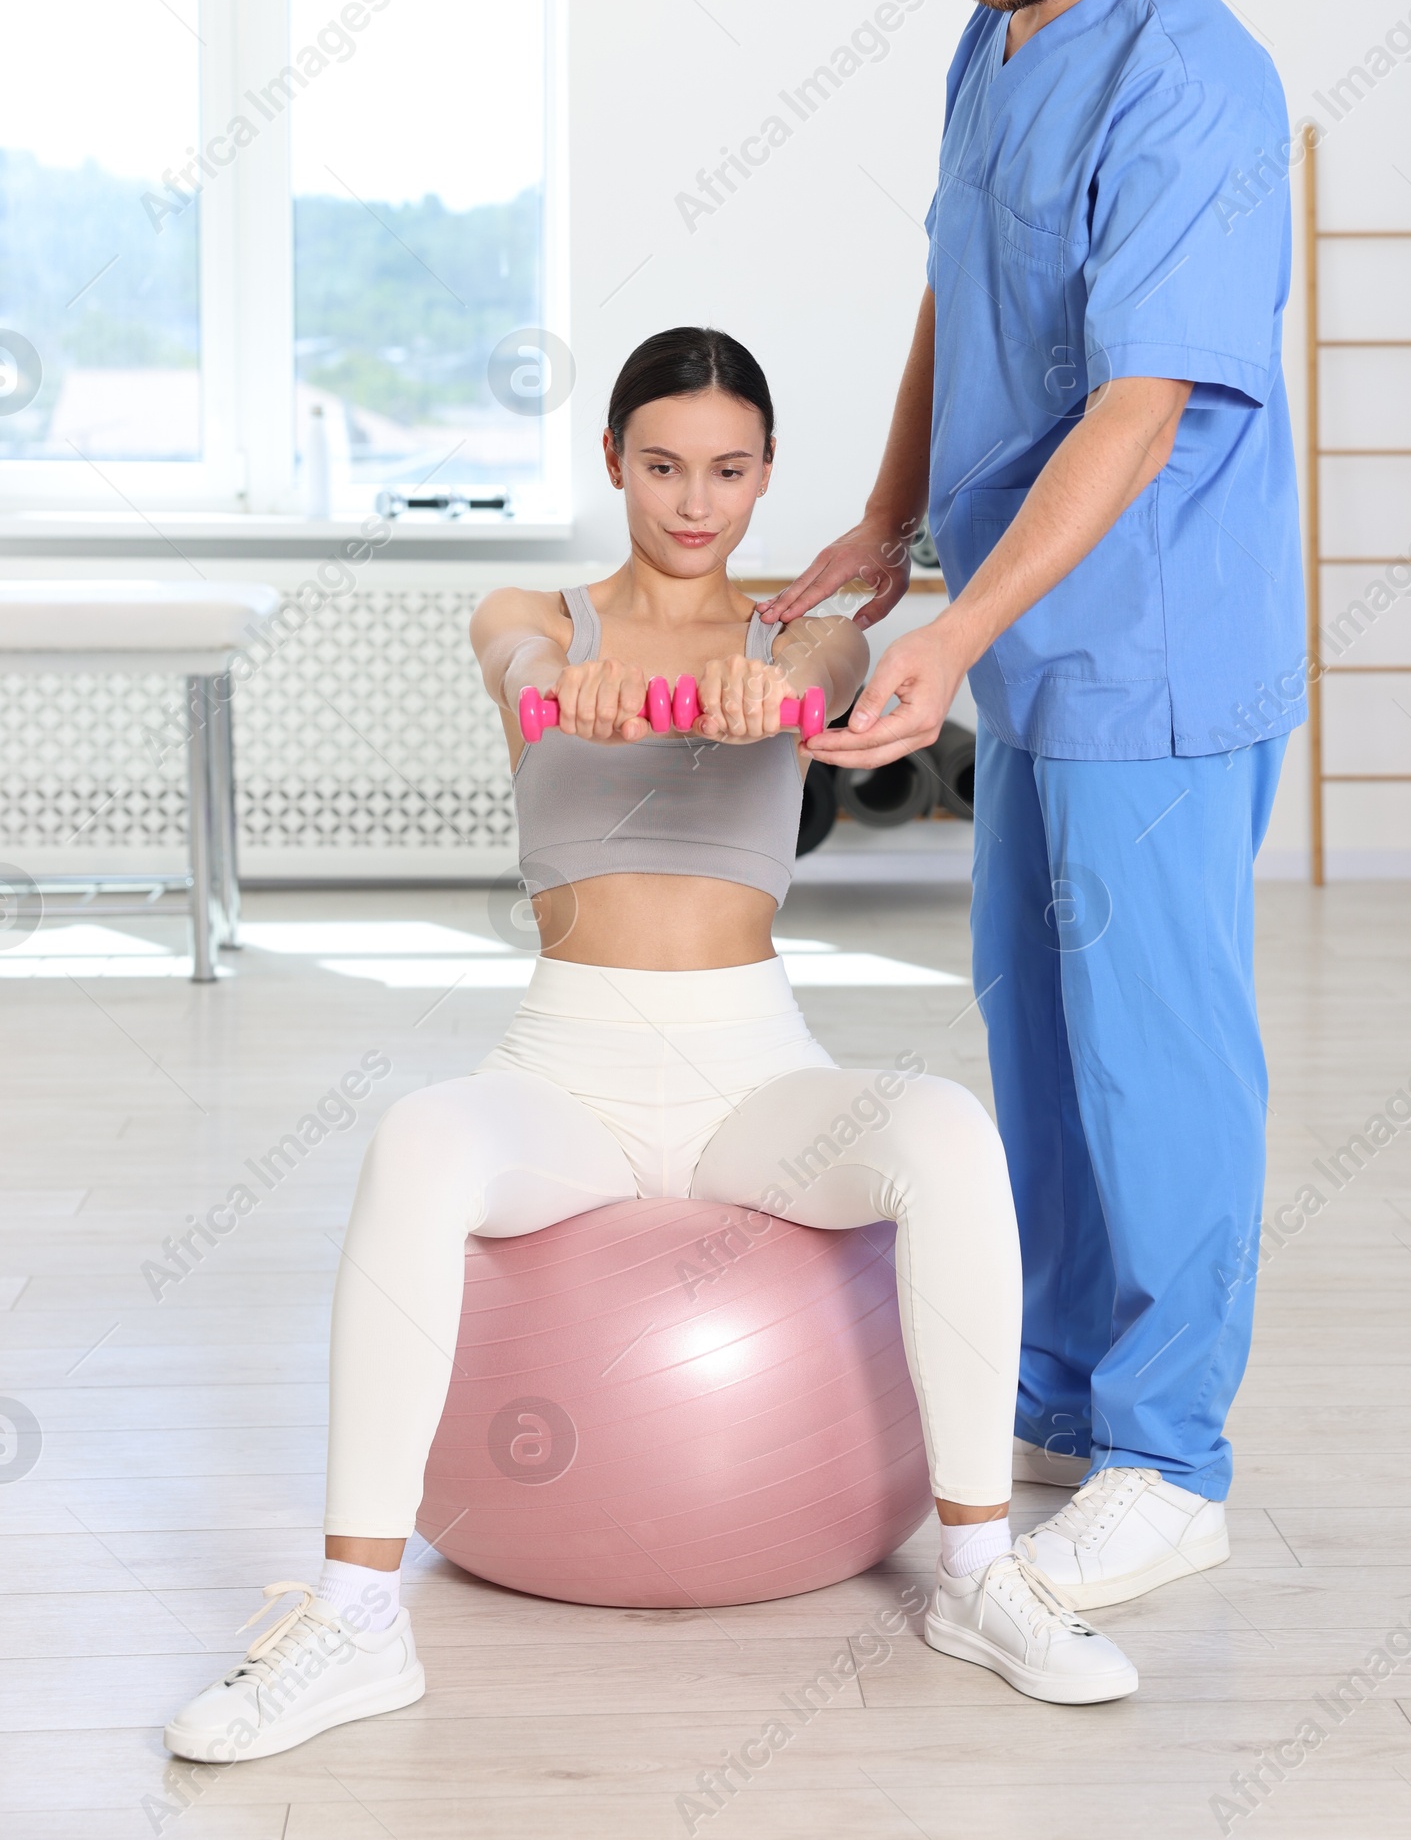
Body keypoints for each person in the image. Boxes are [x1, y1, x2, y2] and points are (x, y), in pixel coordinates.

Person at [164, 326, 1137, 1767]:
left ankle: (982, 1577)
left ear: (765, 481)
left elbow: (822, 650)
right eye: (665, 467)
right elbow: (515, 661)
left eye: (732, 473)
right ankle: (357, 1617)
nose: (697, 503)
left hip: (754, 1073)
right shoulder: (528, 612)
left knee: (942, 1126)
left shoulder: (802, 633)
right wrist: (569, 678)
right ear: (612, 461)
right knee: (419, 1141)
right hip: (565, 1070)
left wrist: (782, 679)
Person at [771, 0, 1305, 1613]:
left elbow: (1139, 408)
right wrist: (885, 521)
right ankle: (1069, 1391)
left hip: (1152, 648)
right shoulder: (995, 40)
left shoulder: (1195, 84)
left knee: (1159, 1058)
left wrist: (947, 625)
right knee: (1043, 1030)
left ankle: (1177, 1458)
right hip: (1018, 644)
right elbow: (957, 283)